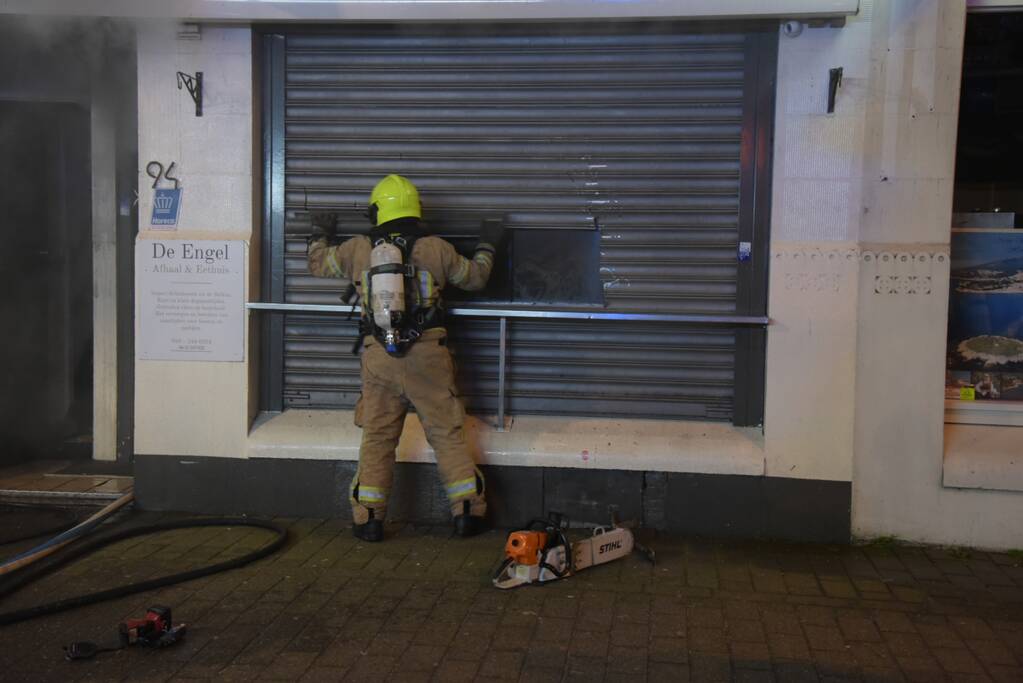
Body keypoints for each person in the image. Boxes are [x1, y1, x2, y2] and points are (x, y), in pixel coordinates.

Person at [306, 174, 503, 542]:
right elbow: (476, 278)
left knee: (378, 437)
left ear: (377, 210)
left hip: (379, 357)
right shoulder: (436, 248)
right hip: (429, 356)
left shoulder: (357, 249)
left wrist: (319, 233)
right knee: (446, 434)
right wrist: (488, 244)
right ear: (415, 208)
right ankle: (467, 514)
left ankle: (368, 519)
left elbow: (318, 264)